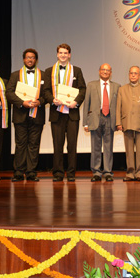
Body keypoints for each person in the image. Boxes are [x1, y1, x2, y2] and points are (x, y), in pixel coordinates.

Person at [42, 43, 86, 182]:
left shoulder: (77, 71)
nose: (63, 55)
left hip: (72, 113)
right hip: (56, 113)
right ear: (57, 54)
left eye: (65, 53)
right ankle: (58, 173)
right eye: (60, 53)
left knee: (72, 145)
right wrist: (52, 99)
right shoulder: (49, 71)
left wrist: (76, 102)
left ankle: (71, 173)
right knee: (58, 144)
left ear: (69, 55)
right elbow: (46, 91)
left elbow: (82, 89)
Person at [6, 48, 46, 182]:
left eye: (33, 57)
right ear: (24, 59)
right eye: (28, 57)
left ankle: (31, 172)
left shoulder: (43, 75)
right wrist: (22, 102)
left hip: (37, 114)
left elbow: (47, 94)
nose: (30, 59)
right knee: (21, 144)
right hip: (20, 114)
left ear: (36, 60)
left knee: (34, 144)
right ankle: (18, 172)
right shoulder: (15, 75)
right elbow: (9, 93)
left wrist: (39, 101)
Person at [83, 63, 120, 182]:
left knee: (108, 147)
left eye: (108, 70)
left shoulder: (117, 86)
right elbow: (86, 104)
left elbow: (119, 106)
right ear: (99, 71)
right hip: (95, 119)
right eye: (103, 70)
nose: (105, 72)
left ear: (111, 73)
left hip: (110, 118)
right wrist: (85, 123)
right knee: (96, 147)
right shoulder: (91, 85)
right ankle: (96, 172)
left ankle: (108, 172)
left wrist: (118, 121)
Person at [117, 66, 140, 182]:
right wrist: (118, 122)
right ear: (128, 75)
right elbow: (118, 108)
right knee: (129, 151)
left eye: (135, 73)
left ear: (139, 76)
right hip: (126, 122)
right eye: (131, 73)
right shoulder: (122, 89)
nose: (133, 75)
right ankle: (130, 173)